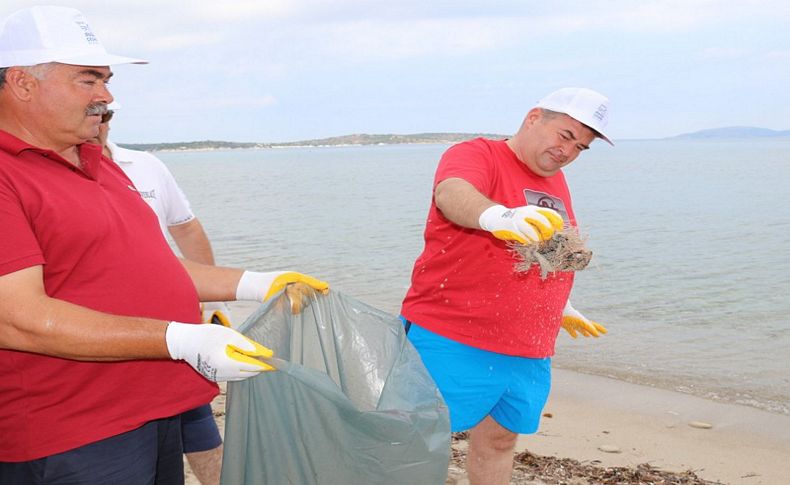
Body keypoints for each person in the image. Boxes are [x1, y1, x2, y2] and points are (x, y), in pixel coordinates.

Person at [0, 6, 327, 484]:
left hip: (154, 413)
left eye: (107, 80)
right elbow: (17, 319)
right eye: (88, 80)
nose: (106, 96)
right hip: (70, 433)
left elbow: (151, 266)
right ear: (23, 83)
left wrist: (259, 284)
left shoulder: (97, 161)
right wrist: (183, 339)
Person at [400, 87, 612, 484]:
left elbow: (552, 250)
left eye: (581, 147)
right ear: (534, 118)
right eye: (565, 135)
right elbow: (452, 195)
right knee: (418, 440)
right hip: (452, 334)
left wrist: (560, 306)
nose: (568, 151)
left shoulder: (556, 180)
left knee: (499, 440)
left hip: (528, 344)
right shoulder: (477, 155)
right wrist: (499, 216)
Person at [90, 106, 230, 485]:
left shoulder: (144, 165)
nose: (99, 123)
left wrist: (214, 303)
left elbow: (185, 229)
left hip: (173, 333)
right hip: (103, 343)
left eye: (106, 116)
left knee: (198, 425)